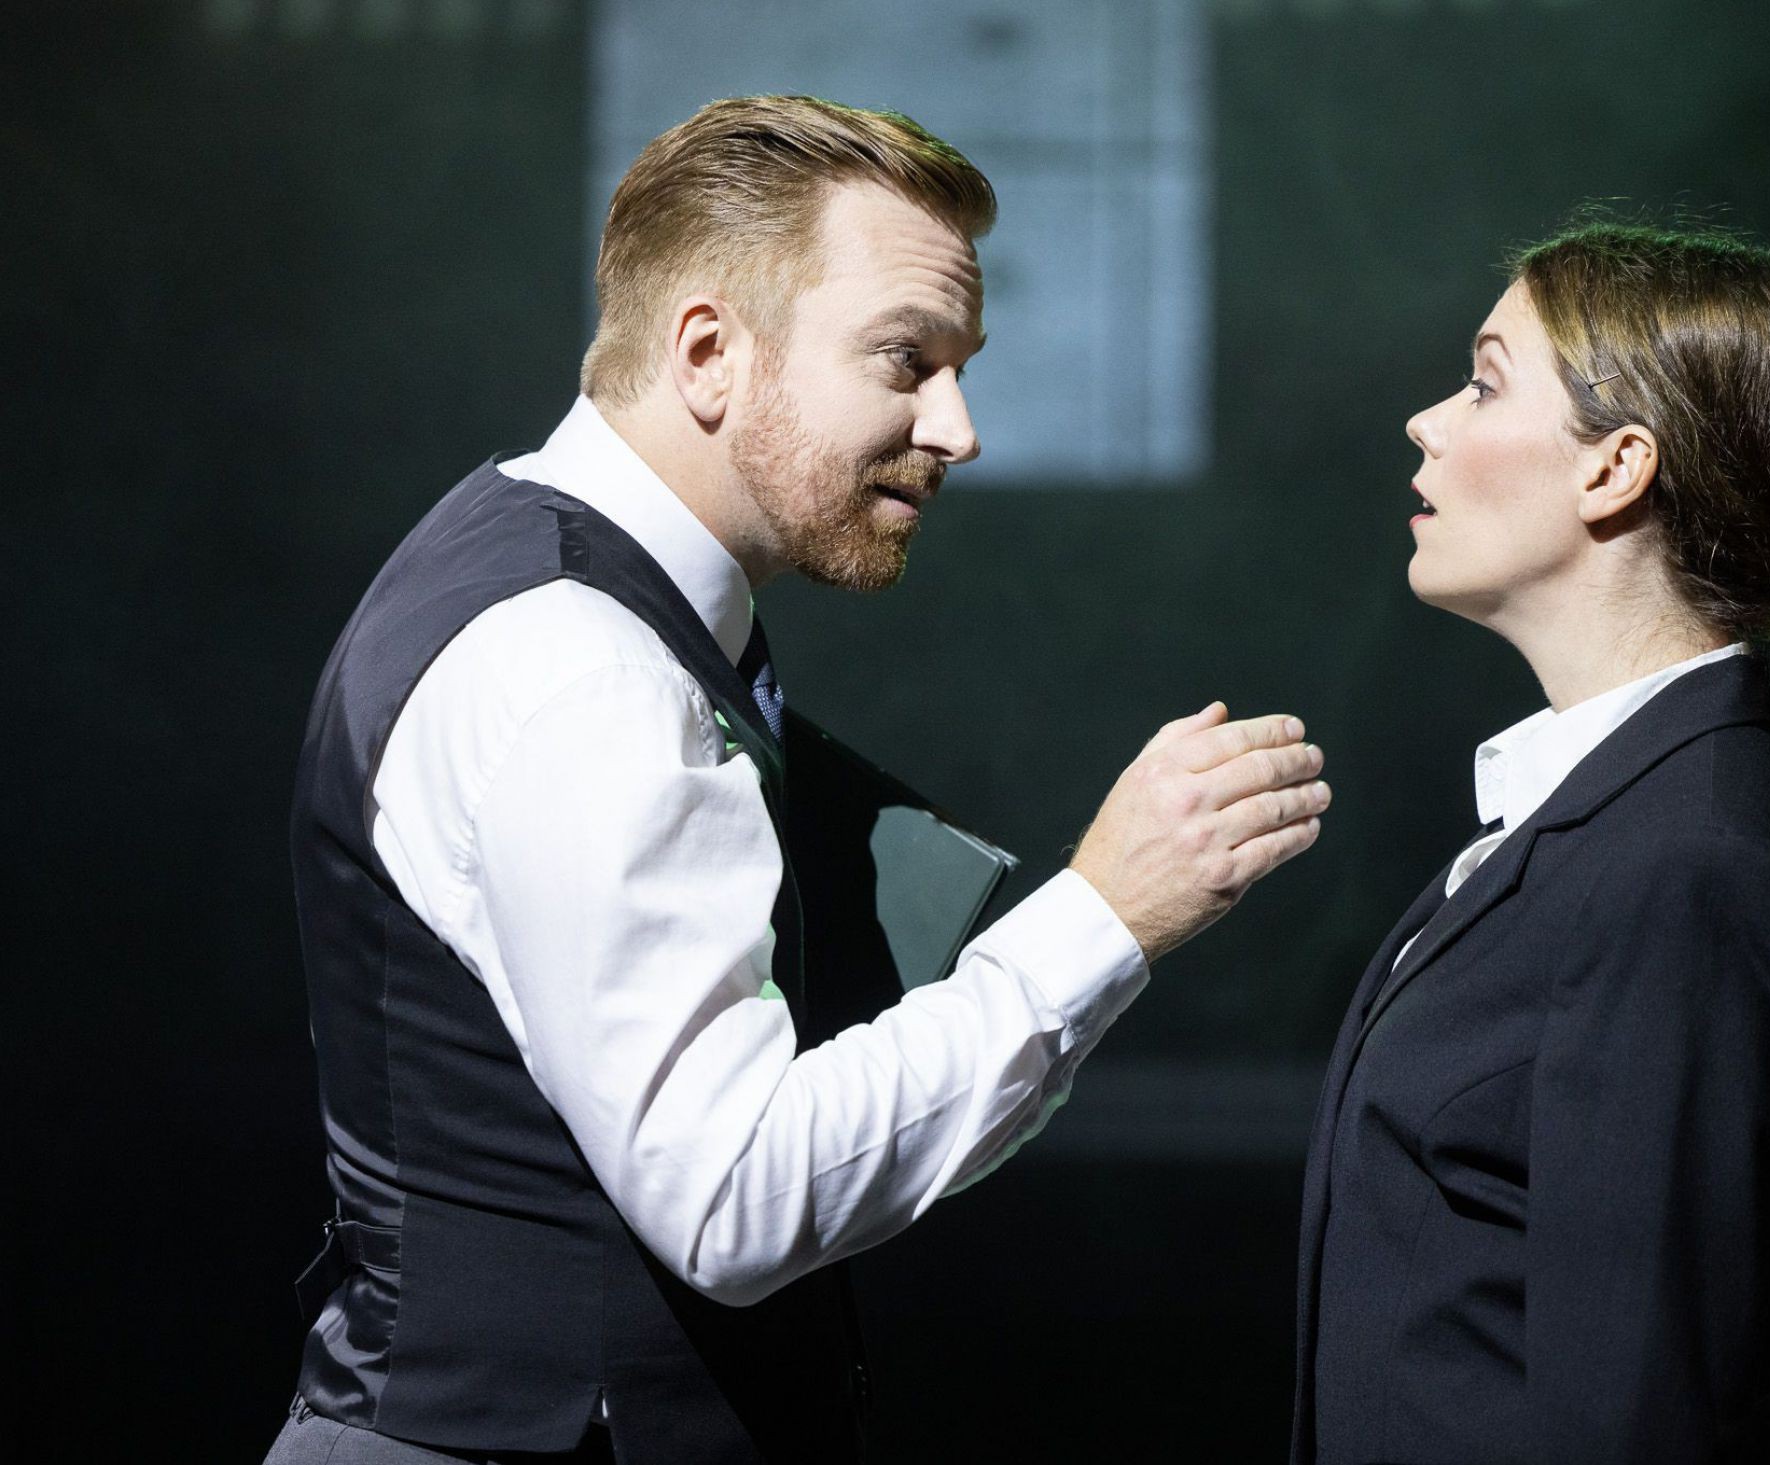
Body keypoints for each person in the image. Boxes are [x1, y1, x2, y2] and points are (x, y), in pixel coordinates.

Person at [268, 96, 1330, 1465]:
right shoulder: (584, 671)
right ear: (710, 352)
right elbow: (731, 1197)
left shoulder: (543, 576)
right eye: (905, 359)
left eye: (961, 369)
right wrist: (1107, 914)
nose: (958, 428)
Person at [1293, 220, 1770, 1462]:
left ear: (1616, 467)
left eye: (1483, 382)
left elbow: (1636, 1411)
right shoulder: (1610, 818)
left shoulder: (1689, 865)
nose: (1426, 422)